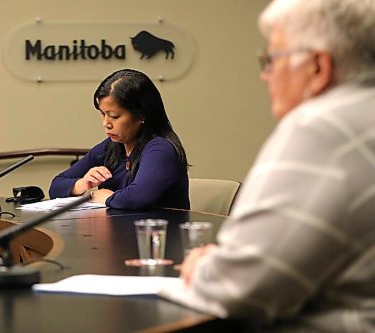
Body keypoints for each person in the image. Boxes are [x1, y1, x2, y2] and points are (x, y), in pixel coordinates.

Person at [161, 0, 375, 331]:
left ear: (318, 67)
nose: (265, 76)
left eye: (272, 60)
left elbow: (239, 288)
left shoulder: (320, 127)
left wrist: (207, 266)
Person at [49, 69, 190, 210]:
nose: (106, 123)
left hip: (158, 231)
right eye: (102, 114)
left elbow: (138, 196)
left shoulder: (160, 149)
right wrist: (82, 183)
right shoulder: (110, 147)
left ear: (142, 115)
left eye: (114, 116)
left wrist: (108, 198)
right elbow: (56, 186)